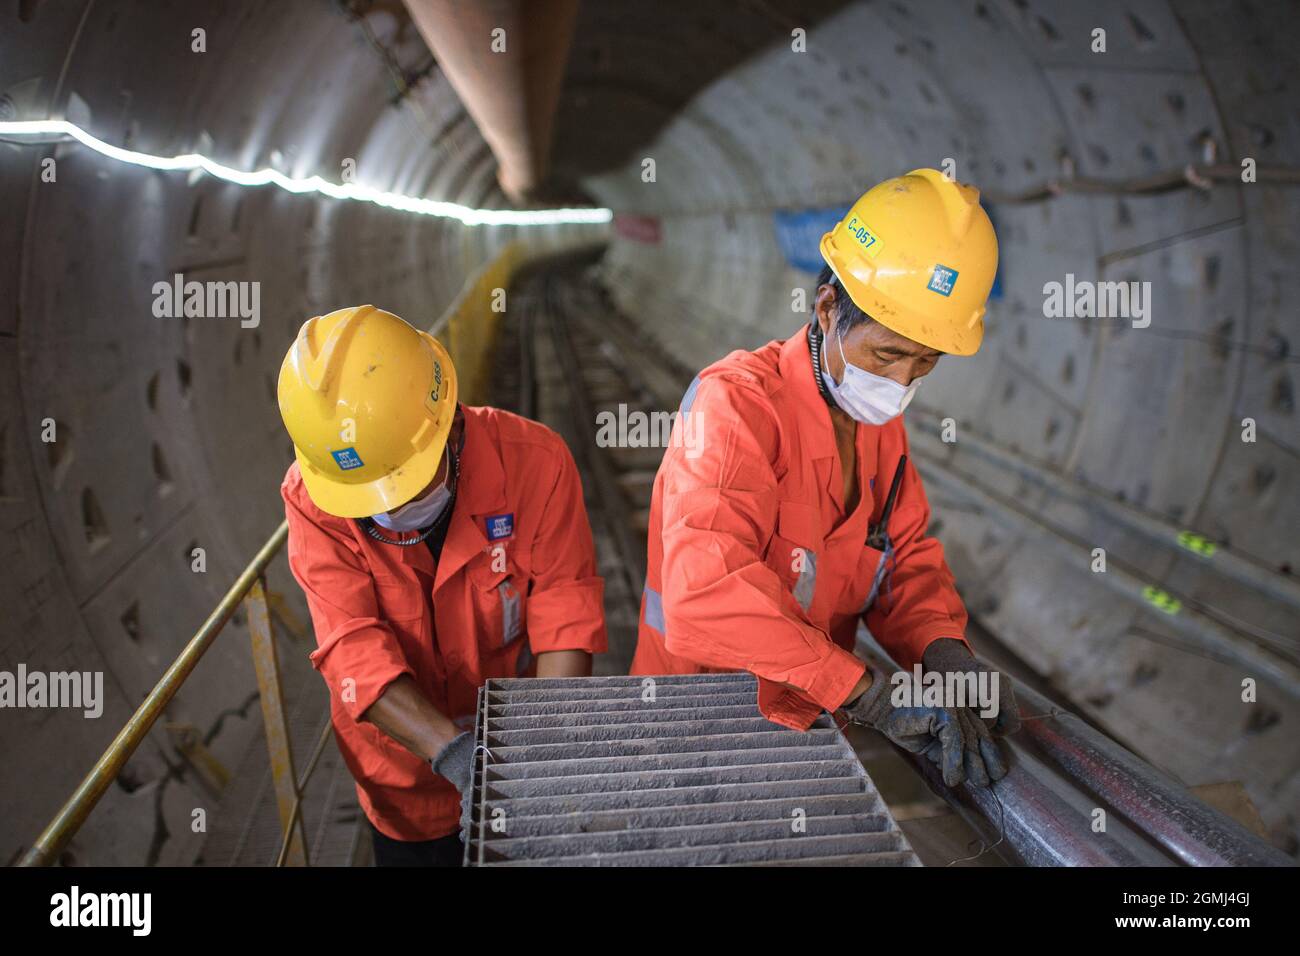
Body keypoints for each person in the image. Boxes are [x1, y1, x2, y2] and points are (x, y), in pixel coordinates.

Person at [631, 168, 1019, 787]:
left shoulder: (878, 425)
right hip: (698, 722)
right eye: (886, 354)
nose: (899, 384)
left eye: (924, 363)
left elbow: (904, 559)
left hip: (811, 718)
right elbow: (705, 589)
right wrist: (868, 694)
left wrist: (943, 651)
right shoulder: (736, 408)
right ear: (827, 307)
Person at [277, 305, 606, 865]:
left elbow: (564, 612)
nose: (389, 507)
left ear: (449, 422)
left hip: (517, 751)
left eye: (401, 482)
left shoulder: (535, 463)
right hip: (403, 782)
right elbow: (352, 649)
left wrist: (540, 758)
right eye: (368, 495)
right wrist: (456, 756)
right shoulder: (317, 503)